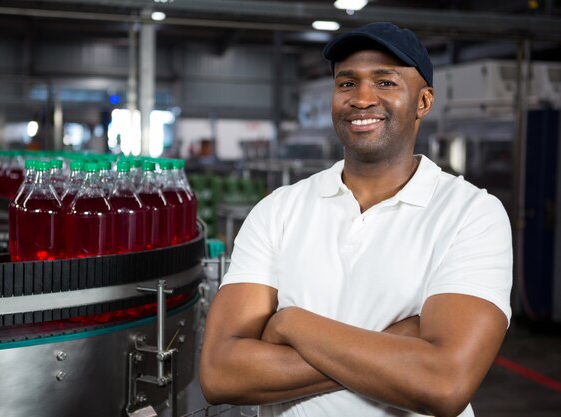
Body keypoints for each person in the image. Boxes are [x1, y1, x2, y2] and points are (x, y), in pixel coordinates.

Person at [199, 22, 512, 417]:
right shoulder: (279, 210)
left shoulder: (471, 213)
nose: (362, 99)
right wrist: (396, 347)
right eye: (347, 84)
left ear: (424, 101)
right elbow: (220, 373)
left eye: (385, 82)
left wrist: (291, 324)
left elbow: (443, 383)